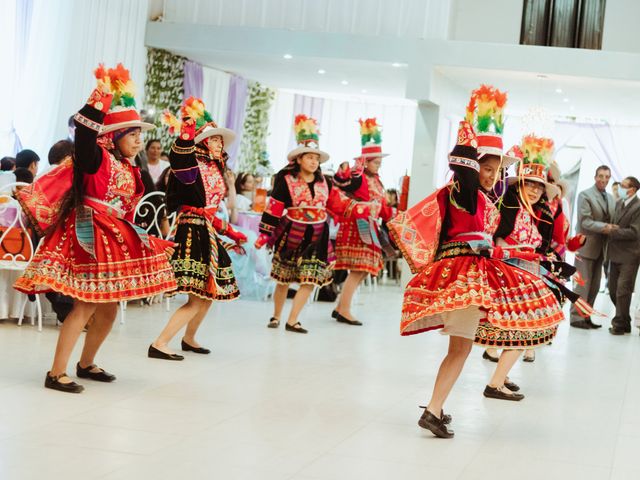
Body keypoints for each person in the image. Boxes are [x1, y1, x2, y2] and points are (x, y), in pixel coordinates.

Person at [388, 86, 564, 438]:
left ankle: (436, 408)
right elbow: (463, 175)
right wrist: (472, 136)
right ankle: (434, 409)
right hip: (465, 275)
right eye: (486, 165)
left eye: (496, 167)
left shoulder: (484, 199)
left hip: (473, 272)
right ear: (472, 166)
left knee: (460, 348)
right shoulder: (462, 191)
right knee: (460, 349)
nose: (491, 173)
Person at [14, 63, 177, 393]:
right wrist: (101, 98)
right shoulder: (95, 158)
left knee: (109, 306)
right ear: (115, 136)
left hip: (113, 233)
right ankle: (55, 372)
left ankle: (86, 363)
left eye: (140, 135)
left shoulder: (131, 169)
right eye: (133, 134)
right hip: (89, 232)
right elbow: (86, 133)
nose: (139, 140)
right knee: (85, 304)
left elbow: (130, 206)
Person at [150, 97, 246, 360]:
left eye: (220, 140)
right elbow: (183, 165)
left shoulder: (215, 168)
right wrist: (184, 139)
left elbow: (210, 210)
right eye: (214, 139)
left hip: (207, 231)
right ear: (202, 141)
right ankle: (159, 342)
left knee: (208, 293)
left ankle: (189, 337)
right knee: (196, 295)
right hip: (192, 232)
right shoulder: (192, 166)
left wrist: (229, 230)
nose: (219, 143)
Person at [255, 115, 352, 333]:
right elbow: (275, 207)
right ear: (299, 159)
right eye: (309, 157)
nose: (314, 161)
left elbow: (336, 203)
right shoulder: (286, 180)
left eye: (316, 158)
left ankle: (293, 319)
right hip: (291, 232)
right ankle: (276, 315)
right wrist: (264, 234)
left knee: (309, 279)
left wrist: (356, 208)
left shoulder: (325, 181)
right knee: (284, 278)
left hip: (318, 234)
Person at [332, 118, 395, 326]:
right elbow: (348, 185)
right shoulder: (358, 176)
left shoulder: (376, 180)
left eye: (380, 162)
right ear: (365, 162)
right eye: (376, 162)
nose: (379, 166)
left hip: (368, 225)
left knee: (361, 270)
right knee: (358, 269)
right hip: (357, 226)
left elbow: (382, 207)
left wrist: (394, 214)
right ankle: (344, 309)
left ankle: (341, 306)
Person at [570, 166, 616, 329]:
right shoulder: (585, 195)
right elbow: (585, 222)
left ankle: (586, 316)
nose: (604, 179)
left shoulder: (611, 198)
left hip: (601, 248)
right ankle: (576, 318)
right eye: (601, 176)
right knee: (582, 285)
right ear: (595, 176)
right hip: (585, 247)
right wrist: (607, 227)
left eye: (607, 176)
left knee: (595, 286)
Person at [607, 176, 640, 335]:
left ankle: (619, 324)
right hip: (614, 254)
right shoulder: (620, 203)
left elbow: (635, 232)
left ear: (632, 189)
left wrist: (613, 230)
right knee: (613, 290)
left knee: (622, 290)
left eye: (623, 185)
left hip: (630, 256)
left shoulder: (638, 206)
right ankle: (625, 321)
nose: (619, 187)